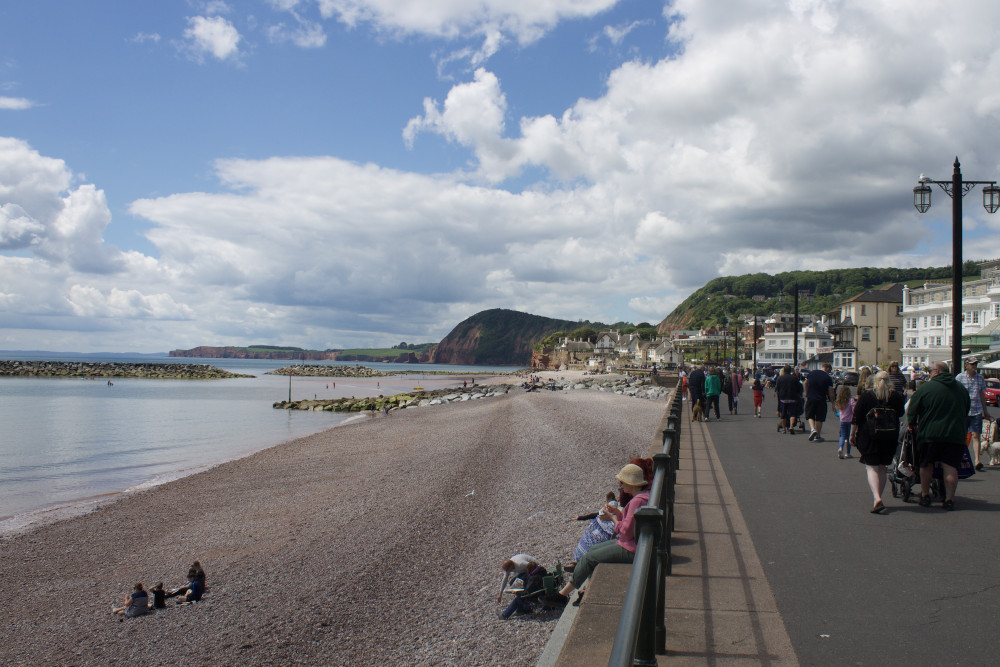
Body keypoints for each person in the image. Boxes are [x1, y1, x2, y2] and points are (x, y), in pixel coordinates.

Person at [547, 463, 650, 606]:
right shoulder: (644, 497)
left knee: (589, 557)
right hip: (638, 543)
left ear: (630, 484)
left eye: (622, 482)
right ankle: (585, 590)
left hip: (632, 548)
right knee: (594, 550)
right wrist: (619, 513)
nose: (620, 485)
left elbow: (626, 533)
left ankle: (562, 595)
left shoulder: (636, 501)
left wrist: (612, 519)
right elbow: (630, 524)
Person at [906, 361, 971, 510]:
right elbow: (966, 409)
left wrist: (912, 424)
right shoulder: (961, 389)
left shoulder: (926, 388)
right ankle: (949, 499)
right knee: (950, 467)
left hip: (930, 434)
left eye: (930, 371)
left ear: (936, 372)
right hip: (955, 435)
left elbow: (913, 410)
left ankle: (924, 495)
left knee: (926, 464)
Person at [850, 371, 904, 513]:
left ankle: (877, 497)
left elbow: (856, 416)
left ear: (875, 381)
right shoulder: (895, 397)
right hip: (889, 436)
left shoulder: (867, 396)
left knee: (871, 467)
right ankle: (879, 496)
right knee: (882, 468)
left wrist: (852, 434)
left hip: (869, 436)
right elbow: (900, 413)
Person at [955, 356, 991, 471]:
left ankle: (977, 460)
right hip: (964, 411)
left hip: (977, 410)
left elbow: (981, 395)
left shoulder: (980, 378)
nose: (974, 366)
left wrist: (985, 411)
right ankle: (961, 458)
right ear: (966, 365)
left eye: (975, 364)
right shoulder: (960, 377)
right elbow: (956, 394)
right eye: (972, 364)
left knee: (976, 435)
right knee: (962, 436)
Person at [804, 363, 836, 442]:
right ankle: (817, 436)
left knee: (810, 414)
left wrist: (807, 393)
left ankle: (812, 429)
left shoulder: (812, 373)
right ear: (827, 368)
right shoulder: (828, 378)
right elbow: (831, 392)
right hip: (821, 399)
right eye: (830, 370)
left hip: (811, 397)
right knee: (820, 417)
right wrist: (833, 403)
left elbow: (805, 383)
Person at [774, 366, 803, 435]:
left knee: (783, 415)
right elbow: (799, 388)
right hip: (793, 398)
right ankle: (791, 427)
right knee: (792, 414)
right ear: (790, 371)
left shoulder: (780, 378)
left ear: (784, 370)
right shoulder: (794, 378)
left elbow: (777, 388)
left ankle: (784, 429)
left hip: (783, 398)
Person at [834, 384, 855, 459]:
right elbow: (853, 410)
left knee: (842, 436)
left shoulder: (840, 400)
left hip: (842, 420)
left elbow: (838, 412)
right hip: (850, 420)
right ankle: (848, 453)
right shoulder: (851, 400)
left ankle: (840, 448)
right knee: (849, 436)